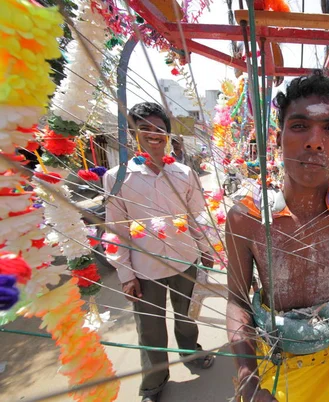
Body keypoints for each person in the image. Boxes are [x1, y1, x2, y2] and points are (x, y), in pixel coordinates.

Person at [225, 71, 329, 402]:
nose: (315, 141)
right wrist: (248, 378)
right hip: (272, 366)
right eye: (300, 126)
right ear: (277, 138)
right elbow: (237, 300)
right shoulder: (247, 218)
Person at [103, 102, 215, 402]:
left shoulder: (183, 174)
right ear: (133, 133)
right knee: (150, 329)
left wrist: (206, 250)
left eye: (159, 129)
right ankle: (154, 382)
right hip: (144, 268)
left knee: (187, 315)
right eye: (145, 129)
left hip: (185, 260)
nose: (153, 135)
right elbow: (115, 229)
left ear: (167, 134)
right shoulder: (117, 177)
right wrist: (126, 274)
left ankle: (191, 354)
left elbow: (198, 216)